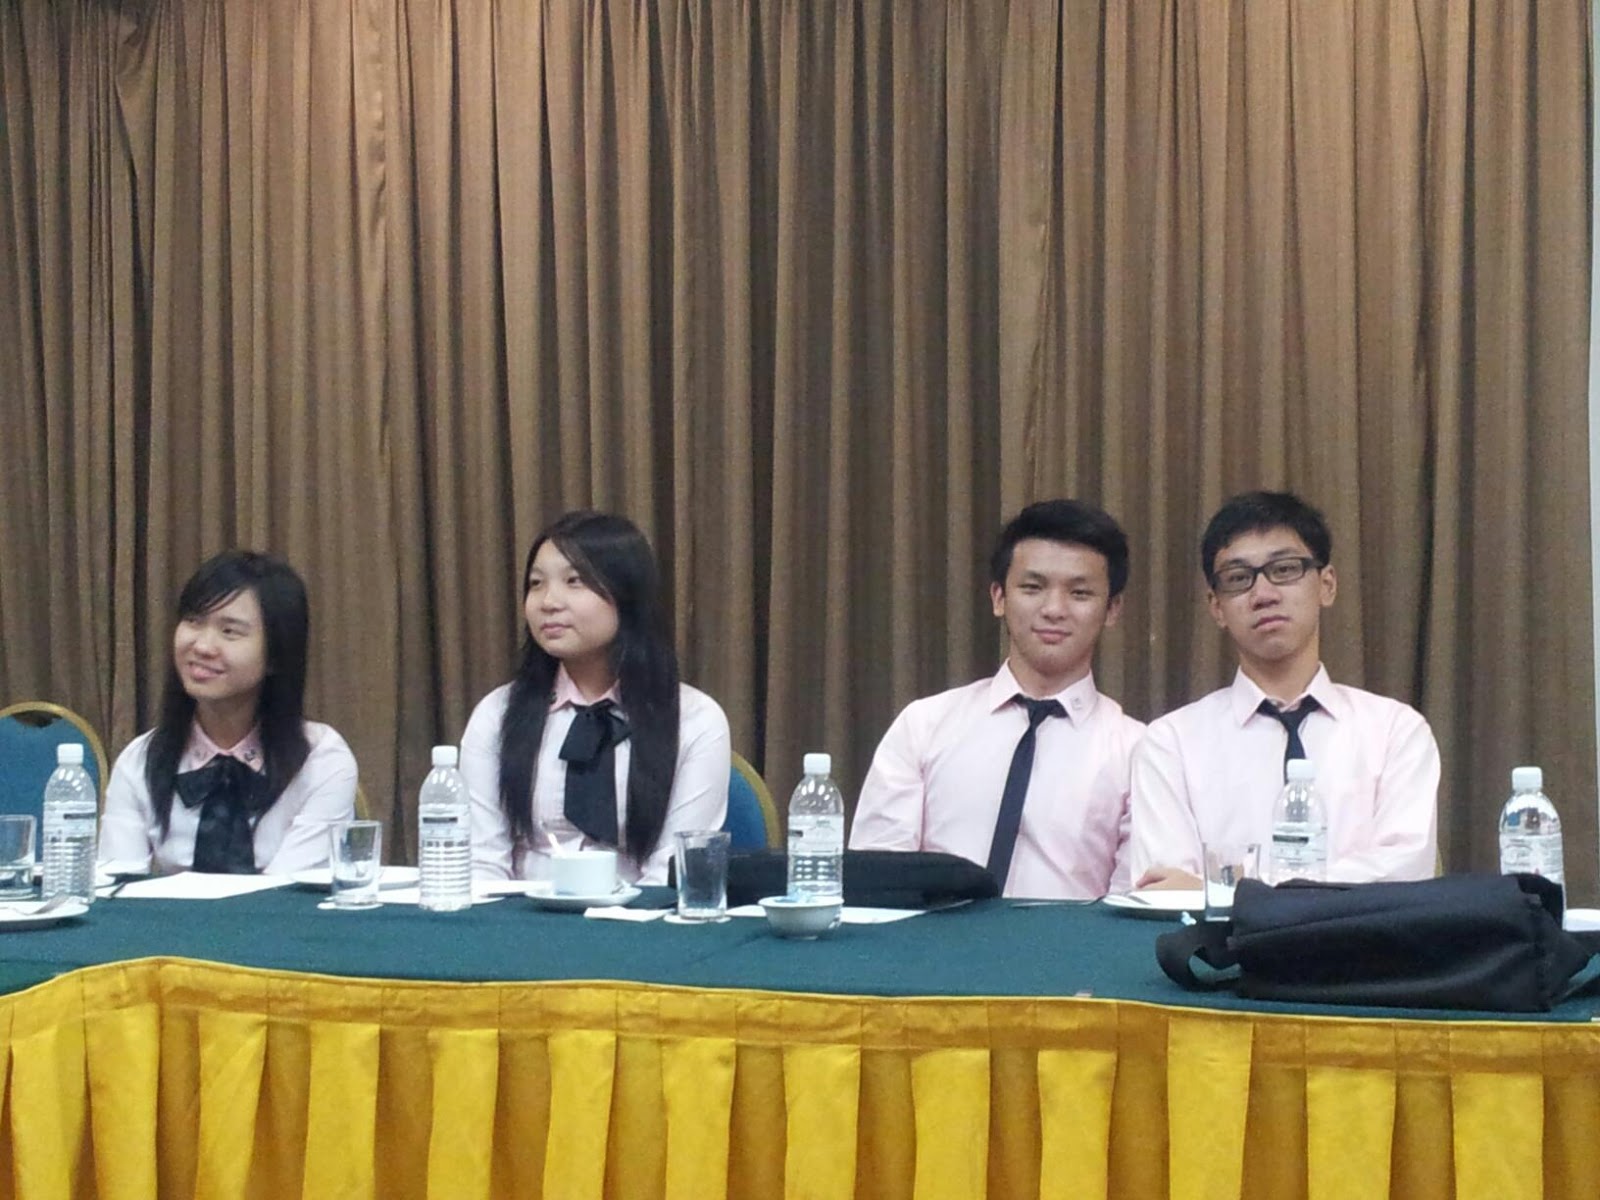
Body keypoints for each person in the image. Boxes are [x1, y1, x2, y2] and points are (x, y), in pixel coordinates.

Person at [1130, 490, 1439, 886]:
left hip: (1356, 935)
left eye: (1285, 569)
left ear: (1327, 585)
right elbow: (1167, 888)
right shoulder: (1170, 743)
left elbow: (1404, 871)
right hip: (1235, 939)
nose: (1264, 594)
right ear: (1216, 607)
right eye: (1238, 579)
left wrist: (1241, 890)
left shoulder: (1395, 730)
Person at [849, 499, 1145, 898]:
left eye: (1079, 593)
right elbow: (877, 881)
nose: (1054, 609)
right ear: (998, 597)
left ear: (1112, 609)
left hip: (1072, 939)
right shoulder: (923, 725)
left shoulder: (1139, 750)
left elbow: (1131, 903)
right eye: (1033, 588)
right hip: (933, 937)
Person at [461, 510, 730, 886]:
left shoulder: (694, 719)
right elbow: (482, 864)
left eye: (574, 581)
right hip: (520, 916)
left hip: (644, 917)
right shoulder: (497, 714)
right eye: (536, 584)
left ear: (627, 595)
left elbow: (673, 870)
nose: (548, 602)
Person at [100, 551, 358, 875]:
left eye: (229, 631)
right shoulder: (140, 761)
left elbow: (288, 895)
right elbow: (117, 888)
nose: (202, 646)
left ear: (276, 655)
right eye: (194, 621)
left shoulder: (320, 759)